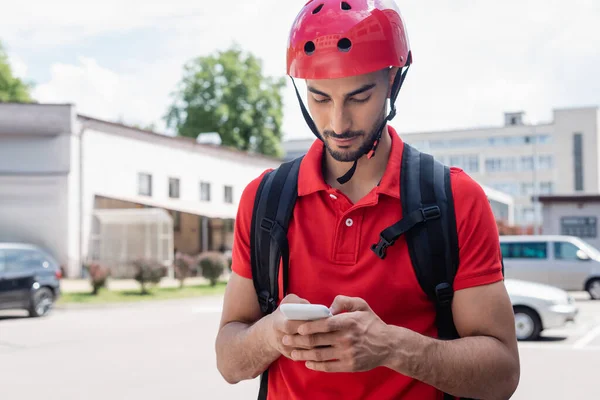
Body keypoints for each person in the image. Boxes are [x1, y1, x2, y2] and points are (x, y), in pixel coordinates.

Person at [215, 0, 520, 399]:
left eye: (359, 97)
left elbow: (501, 375)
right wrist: (270, 335)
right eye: (320, 98)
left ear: (394, 80)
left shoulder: (456, 199)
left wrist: (391, 347)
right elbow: (229, 361)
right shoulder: (264, 200)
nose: (338, 123)